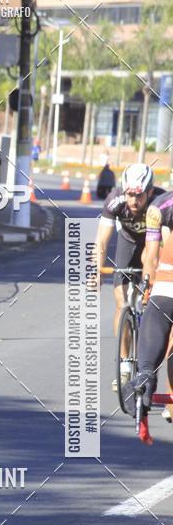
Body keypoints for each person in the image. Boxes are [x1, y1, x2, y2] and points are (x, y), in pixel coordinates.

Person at [96, 163, 164, 391]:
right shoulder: (115, 200)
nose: (133, 201)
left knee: (148, 257)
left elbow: (156, 251)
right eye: (130, 194)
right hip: (127, 244)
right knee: (121, 302)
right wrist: (96, 270)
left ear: (150, 191)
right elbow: (102, 241)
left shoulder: (160, 202)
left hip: (153, 244)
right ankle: (125, 364)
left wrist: (152, 279)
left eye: (139, 195)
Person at [130, 226, 173, 418]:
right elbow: (150, 255)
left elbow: (152, 256)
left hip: (164, 286)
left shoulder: (161, 206)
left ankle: (144, 377)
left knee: (158, 310)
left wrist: (147, 292)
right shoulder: (159, 208)